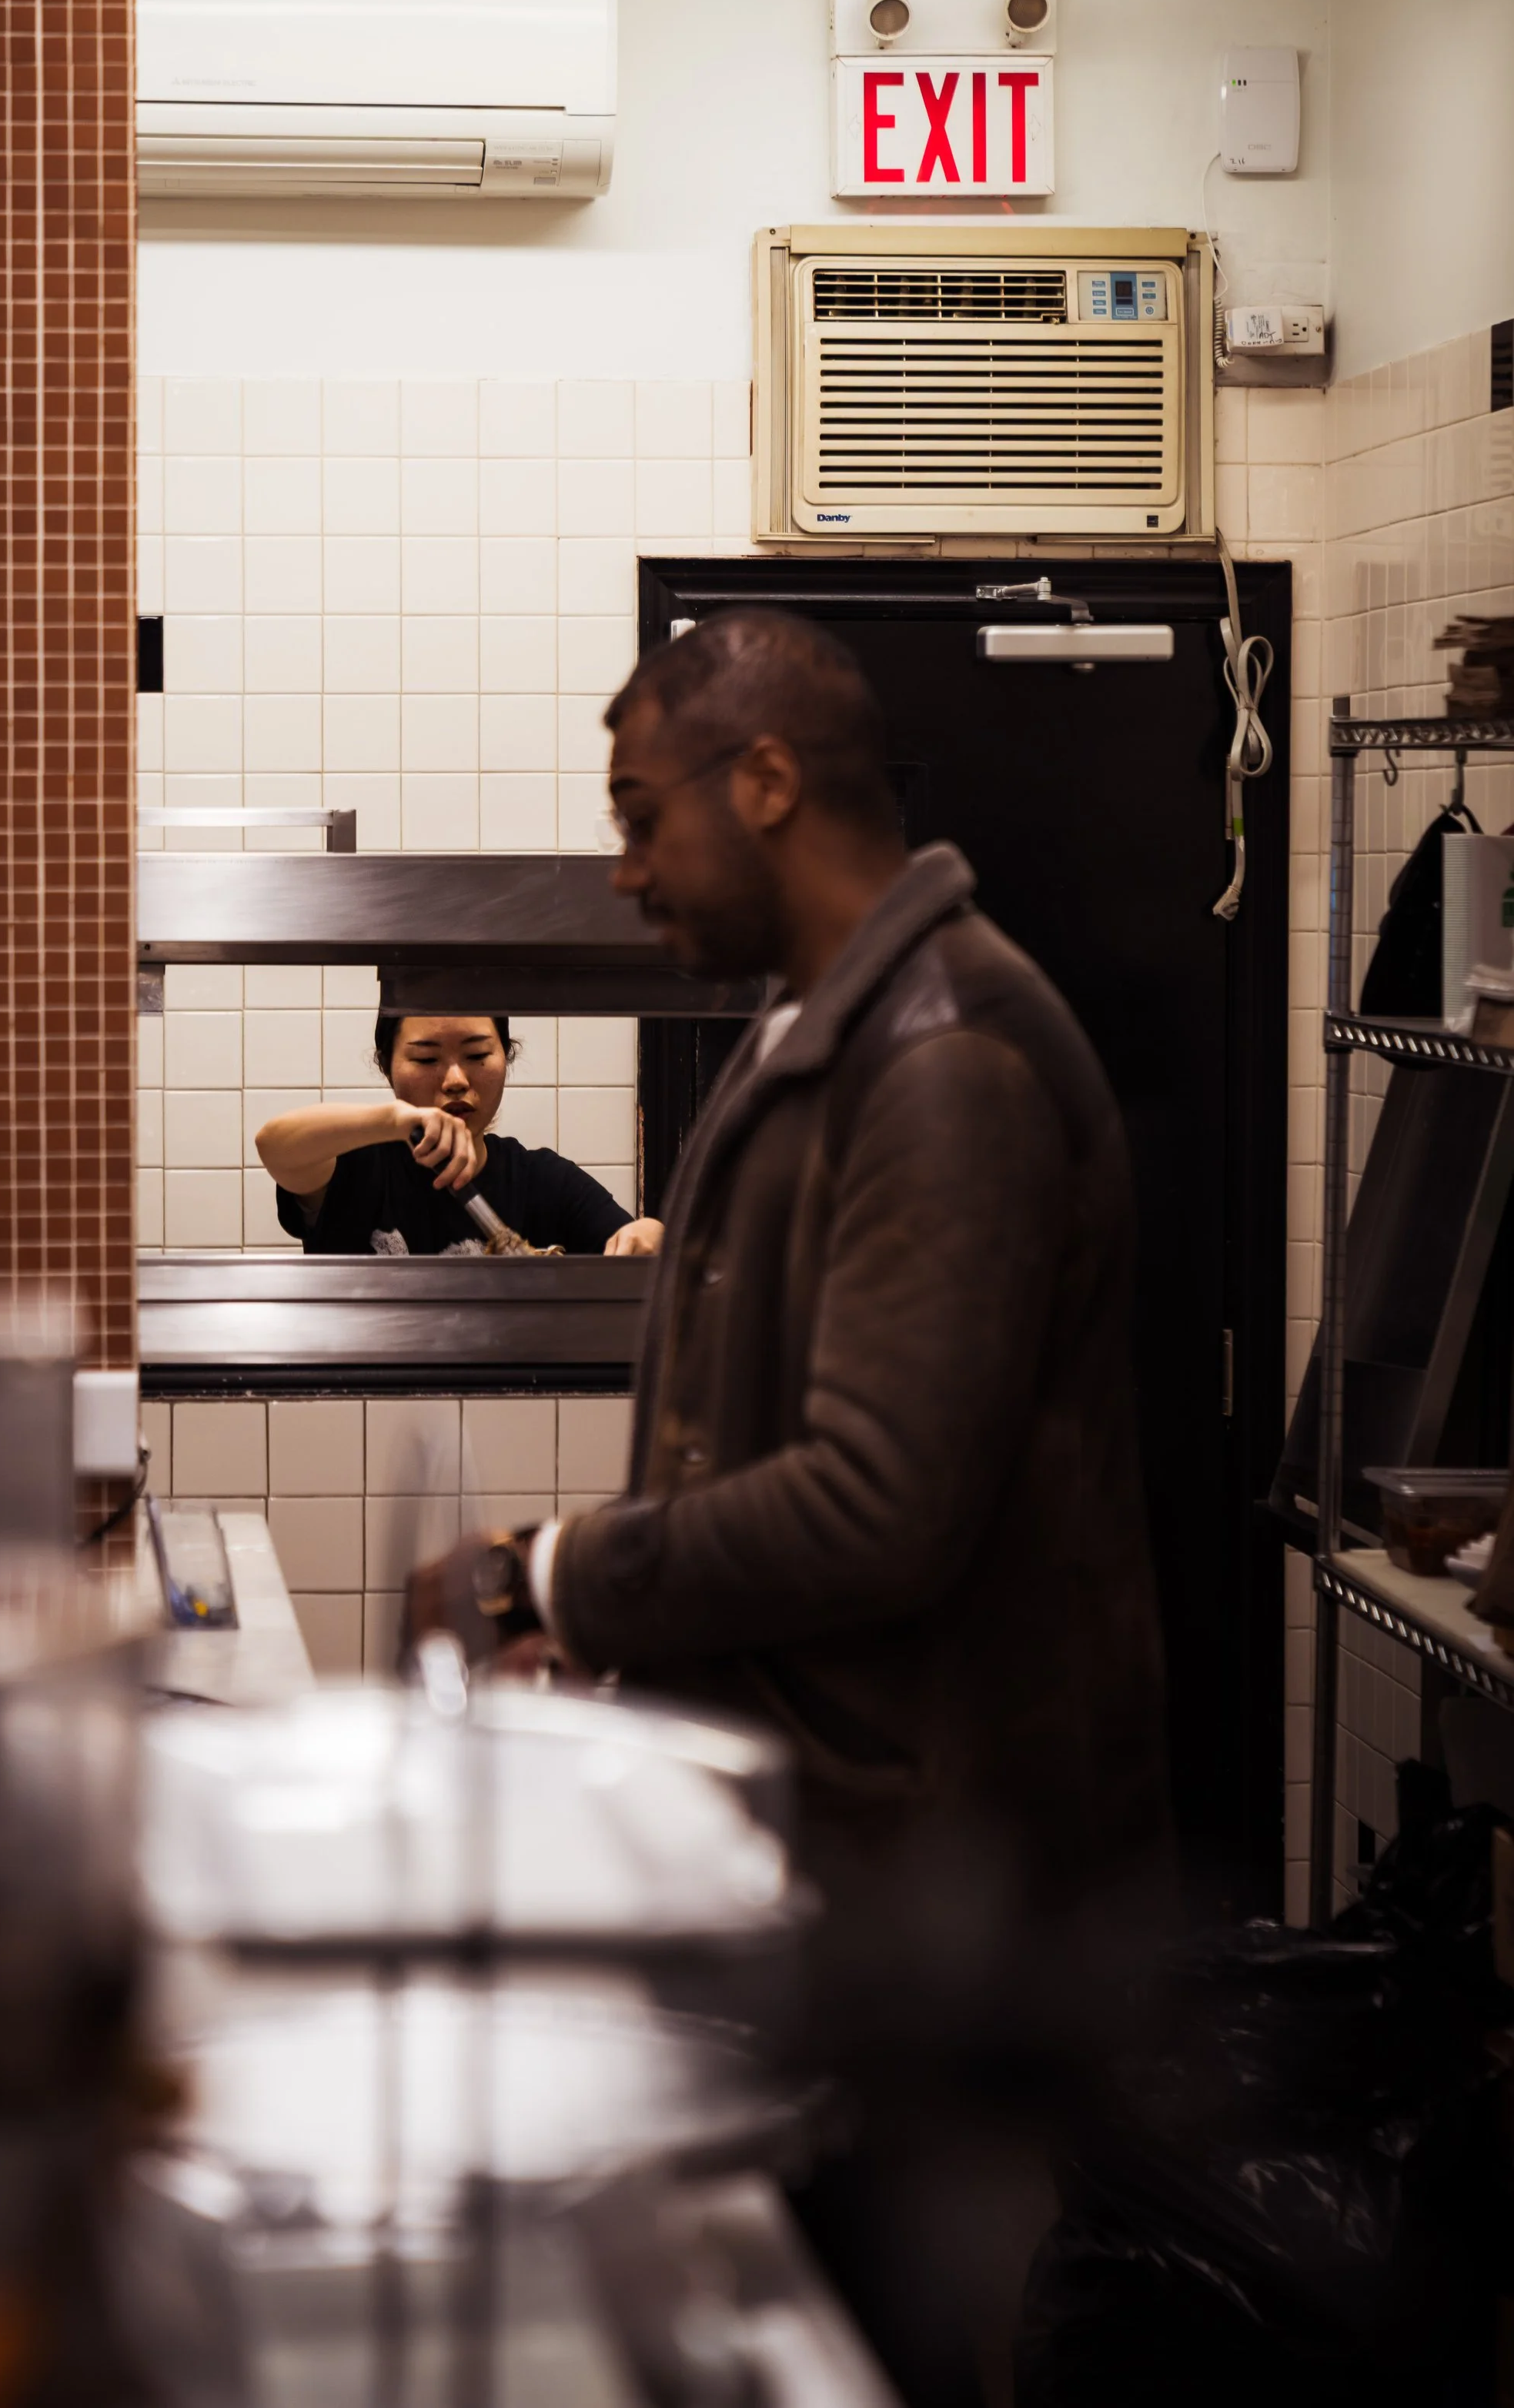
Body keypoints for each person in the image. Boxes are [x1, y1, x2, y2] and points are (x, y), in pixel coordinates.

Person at [404, 608, 1171, 2401]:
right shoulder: (822, 1026)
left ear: (761, 780)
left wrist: (571, 1573)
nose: (624, 867)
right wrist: (615, 1646)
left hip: (944, 1902)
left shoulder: (945, 1051)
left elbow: (880, 1499)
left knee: (891, 2349)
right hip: (846, 1877)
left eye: (638, 812)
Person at [255, 1010, 664, 1257]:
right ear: (387, 1065)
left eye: (477, 1055)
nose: (455, 1079)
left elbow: (643, 1245)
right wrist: (395, 1120)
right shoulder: (356, 1164)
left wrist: (650, 1235)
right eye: (426, 1058)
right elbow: (274, 1144)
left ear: (507, 1056)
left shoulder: (542, 1180)